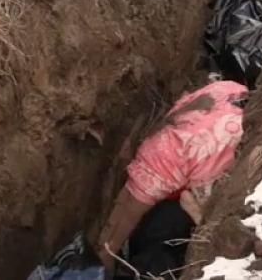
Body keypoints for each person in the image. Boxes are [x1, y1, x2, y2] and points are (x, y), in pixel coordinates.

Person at [97, 81, 248, 277]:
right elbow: (197, 201)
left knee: (124, 214)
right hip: (168, 165)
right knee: (126, 218)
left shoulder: (228, 90)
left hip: (166, 147)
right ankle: (104, 258)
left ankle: (104, 254)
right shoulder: (224, 130)